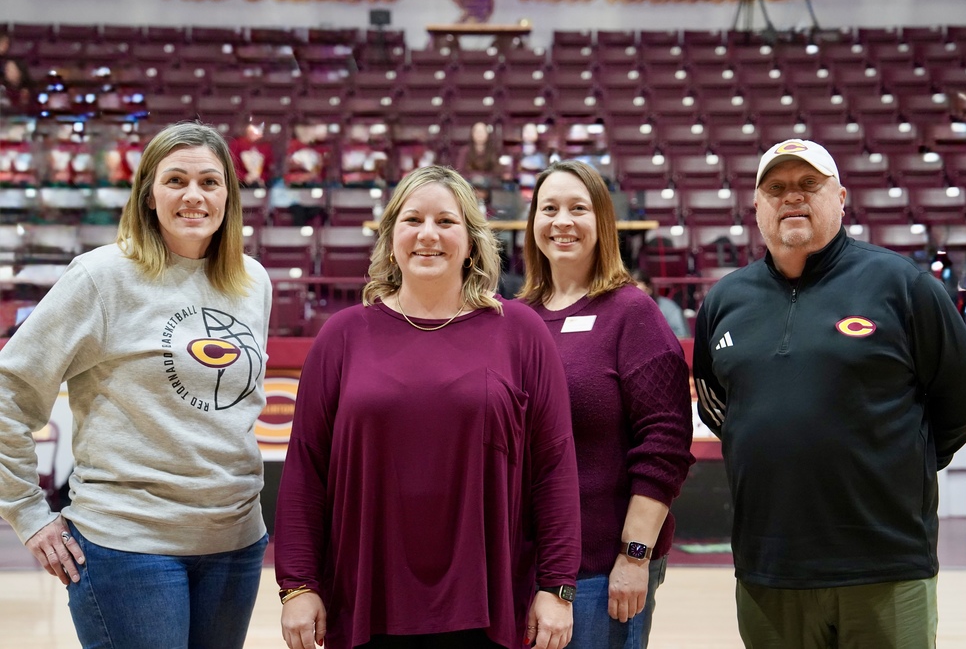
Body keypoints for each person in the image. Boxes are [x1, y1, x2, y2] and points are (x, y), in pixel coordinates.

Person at [691, 139, 966, 648]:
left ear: (841, 197)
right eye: (777, 188)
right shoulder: (723, 302)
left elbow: (963, 397)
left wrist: (901, 462)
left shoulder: (902, 286)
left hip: (885, 563)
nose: (793, 197)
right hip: (769, 568)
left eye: (809, 185)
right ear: (757, 207)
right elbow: (722, 407)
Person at [274, 164, 581, 649]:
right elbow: (306, 469)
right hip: (363, 604)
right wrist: (298, 584)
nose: (428, 235)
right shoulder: (343, 335)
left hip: (491, 607)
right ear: (391, 236)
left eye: (446, 221)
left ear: (472, 238)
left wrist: (557, 586)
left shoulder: (520, 332)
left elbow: (555, 467)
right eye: (413, 220)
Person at [0, 121, 273, 648]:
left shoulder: (252, 280)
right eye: (176, 181)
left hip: (235, 541)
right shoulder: (100, 276)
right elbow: (8, 391)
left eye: (209, 182)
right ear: (149, 195)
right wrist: (29, 514)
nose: (194, 196)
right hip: (127, 547)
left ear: (228, 196)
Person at [518, 159, 694, 649]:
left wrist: (634, 558)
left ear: (603, 222)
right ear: (533, 222)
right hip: (522, 568)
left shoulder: (632, 314)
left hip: (601, 573)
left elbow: (665, 447)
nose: (562, 222)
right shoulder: (515, 318)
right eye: (549, 208)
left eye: (579, 208)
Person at [630, 267, 691, 338]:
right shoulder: (628, 310)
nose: (633, 294)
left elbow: (683, 336)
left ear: (649, 289)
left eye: (637, 290)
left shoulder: (669, 308)